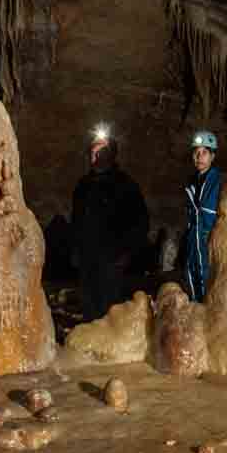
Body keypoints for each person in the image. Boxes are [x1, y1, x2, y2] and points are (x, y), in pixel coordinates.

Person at [69, 127, 148, 320]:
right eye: (93, 152)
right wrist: (75, 250)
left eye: (101, 151)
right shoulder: (83, 185)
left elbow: (139, 221)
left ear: (112, 154)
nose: (95, 156)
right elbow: (76, 221)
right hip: (88, 259)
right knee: (89, 308)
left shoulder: (125, 186)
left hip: (112, 259)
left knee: (109, 311)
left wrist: (127, 252)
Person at [182, 130, 224, 302]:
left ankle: (209, 316)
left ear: (212, 156)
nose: (199, 156)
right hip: (194, 238)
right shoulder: (191, 182)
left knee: (209, 279)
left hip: (209, 238)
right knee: (191, 273)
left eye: (204, 152)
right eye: (196, 152)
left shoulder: (219, 180)